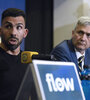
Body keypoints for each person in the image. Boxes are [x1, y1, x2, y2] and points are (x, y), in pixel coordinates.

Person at [0, 8, 37, 100]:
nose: (13, 33)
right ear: (0, 31)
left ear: (25, 33)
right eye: (8, 26)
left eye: (19, 27)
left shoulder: (29, 61)